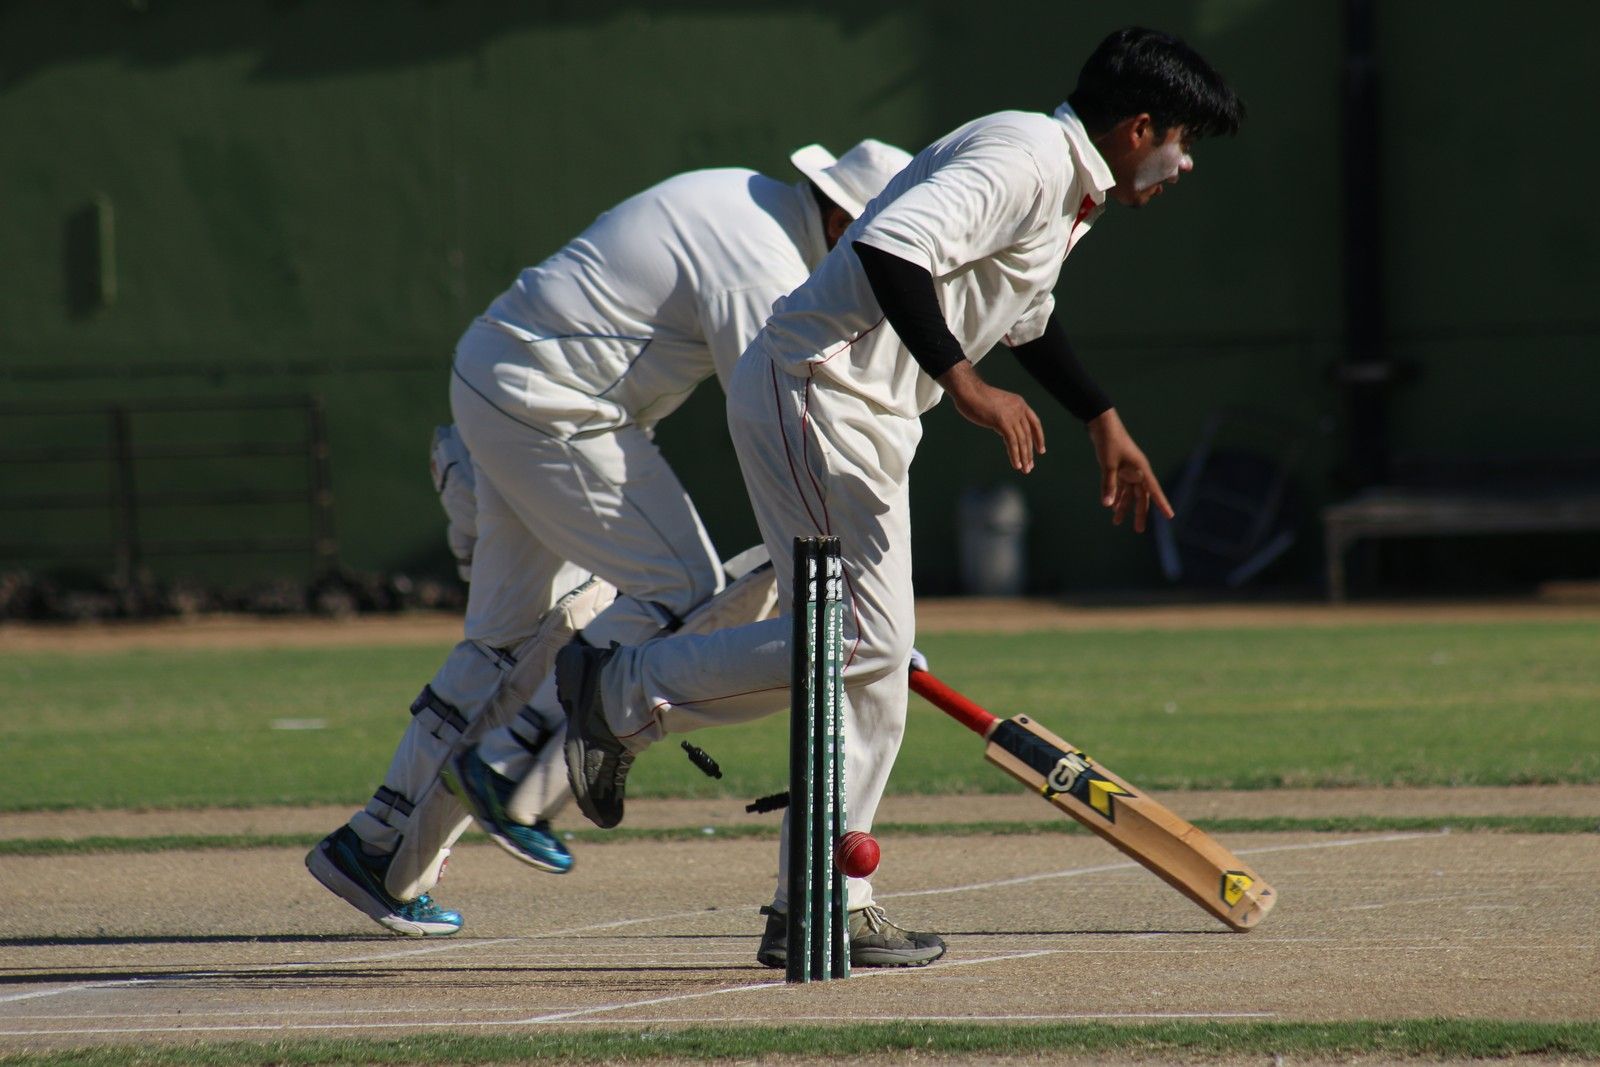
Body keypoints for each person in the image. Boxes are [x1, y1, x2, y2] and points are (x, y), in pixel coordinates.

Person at [550, 27, 1245, 968]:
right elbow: (889, 245)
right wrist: (965, 383)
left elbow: (1026, 319)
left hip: (864, 415)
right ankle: (631, 697)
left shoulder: (1066, 190)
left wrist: (1100, 418)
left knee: (869, 658)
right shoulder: (1026, 156)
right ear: (1138, 127)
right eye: (1183, 140)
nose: (1184, 163)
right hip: (816, 389)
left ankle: (814, 893)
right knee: (863, 646)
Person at [305, 139, 914, 937]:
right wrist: (859, 602)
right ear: (841, 222)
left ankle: (379, 843)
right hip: (555, 407)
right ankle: (510, 763)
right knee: (681, 592)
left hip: (498, 381)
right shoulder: (761, 263)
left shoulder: (743, 196)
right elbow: (783, 427)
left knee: (504, 642)